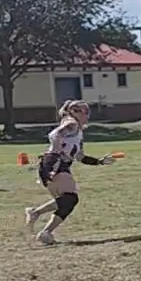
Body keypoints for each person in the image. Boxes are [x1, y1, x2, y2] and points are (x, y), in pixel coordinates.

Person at [25, 100, 118, 245]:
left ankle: (43, 228)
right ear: (74, 112)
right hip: (54, 163)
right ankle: (38, 217)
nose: (88, 115)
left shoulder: (77, 131)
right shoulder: (71, 123)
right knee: (70, 198)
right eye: (85, 112)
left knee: (67, 202)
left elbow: (79, 156)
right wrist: (56, 153)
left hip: (55, 163)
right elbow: (54, 134)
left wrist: (99, 161)